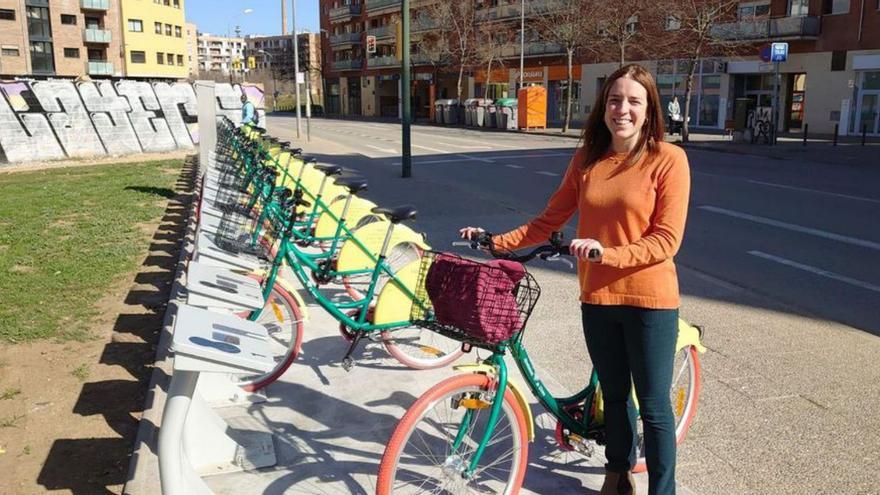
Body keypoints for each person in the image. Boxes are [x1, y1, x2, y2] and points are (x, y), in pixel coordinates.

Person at [460, 64, 690, 495]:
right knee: (615, 397)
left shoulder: (668, 159)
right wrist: (496, 242)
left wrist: (609, 253)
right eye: (615, 99)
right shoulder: (587, 158)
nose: (622, 109)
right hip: (598, 297)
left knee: (655, 407)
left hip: (650, 300)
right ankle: (617, 476)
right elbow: (549, 220)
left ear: (649, 109)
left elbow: (666, 240)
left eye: (634, 101)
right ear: (604, 106)